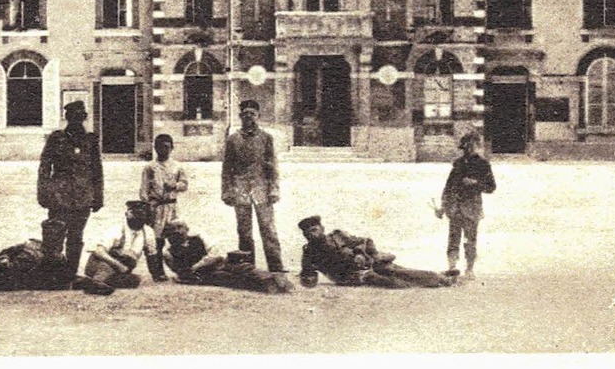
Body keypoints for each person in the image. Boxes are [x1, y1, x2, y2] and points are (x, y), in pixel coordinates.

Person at [37, 99, 103, 280]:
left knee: (76, 236)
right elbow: (44, 167)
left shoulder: (91, 140)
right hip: (59, 195)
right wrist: (43, 193)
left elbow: (97, 169)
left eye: (79, 117)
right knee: (55, 234)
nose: (76, 120)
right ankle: (52, 274)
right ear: (66, 117)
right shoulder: (56, 138)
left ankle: (70, 273)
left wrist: (98, 196)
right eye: (72, 117)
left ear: (84, 118)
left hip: (83, 196)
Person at [296, 215, 455, 289]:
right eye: (307, 233)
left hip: (366, 264)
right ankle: (427, 283)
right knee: (386, 280)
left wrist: (368, 254)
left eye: (314, 230)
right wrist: (308, 278)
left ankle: (439, 277)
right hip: (349, 276)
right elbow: (308, 275)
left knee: (393, 269)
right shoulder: (309, 252)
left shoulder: (337, 235)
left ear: (322, 228)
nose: (311, 234)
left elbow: (365, 240)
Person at [221, 100, 284, 273]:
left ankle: (276, 267)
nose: (249, 117)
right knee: (244, 231)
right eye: (245, 113)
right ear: (241, 116)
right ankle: (248, 266)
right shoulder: (233, 139)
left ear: (258, 116)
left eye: (252, 113)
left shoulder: (266, 138)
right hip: (240, 189)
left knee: (268, 229)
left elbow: (272, 166)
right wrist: (227, 191)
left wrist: (274, 189)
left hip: (261, 188)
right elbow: (227, 168)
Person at [162, 221, 289, 294]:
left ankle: (277, 281)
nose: (177, 231)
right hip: (203, 274)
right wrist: (191, 271)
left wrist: (198, 265)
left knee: (243, 267)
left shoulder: (198, 238)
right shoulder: (169, 252)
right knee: (229, 279)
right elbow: (179, 270)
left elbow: (215, 254)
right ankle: (267, 285)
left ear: (187, 229)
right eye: (173, 229)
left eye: (180, 227)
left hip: (215, 264)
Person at [77, 201, 164, 295]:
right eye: (136, 214)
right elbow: (98, 251)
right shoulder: (116, 229)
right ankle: (97, 283)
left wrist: (156, 275)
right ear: (127, 214)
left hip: (123, 268)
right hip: (101, 263)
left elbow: (151, 255)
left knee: (135, 280)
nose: (139, 217)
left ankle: (87, 283)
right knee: (107, 265)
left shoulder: (148, 232)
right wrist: (118, 265)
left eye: (143, 215)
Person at [442, 131, 498, 278]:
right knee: (454, 238)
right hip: (456, 207)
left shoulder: (483, 165)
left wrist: (475, 183)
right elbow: (449, 187)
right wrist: (443, 206)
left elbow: (491, 187)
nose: (469, 149)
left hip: (472, 207)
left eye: (471, 146)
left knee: (470, 239)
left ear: (477, 146)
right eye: (466, 147)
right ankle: (452, 266)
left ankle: (469, 268)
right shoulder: (458, 164)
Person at [139, 133, 189, 273]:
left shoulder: (177, 166)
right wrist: (148, 205)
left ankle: (180, 269)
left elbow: (185, 184)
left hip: (172, 207)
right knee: (156, 240)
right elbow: (143, 190)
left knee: (177, 237)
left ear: (172, 148)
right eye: (160, 147)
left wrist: (175, 185)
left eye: (167, 147)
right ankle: (157, 271)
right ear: (155, 148)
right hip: (156, 208)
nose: (164, 150)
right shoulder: (150, 167)